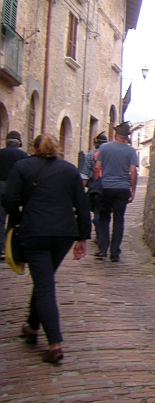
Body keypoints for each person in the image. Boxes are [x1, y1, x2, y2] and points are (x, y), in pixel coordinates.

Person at [2, 134, 89, 364]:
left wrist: (21, 217)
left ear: (34, 148)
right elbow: (82, 203)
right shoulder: (69, 170)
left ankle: (55, 344)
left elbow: (9, 199)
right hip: (63, 234)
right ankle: (31, 327)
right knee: (44, 280)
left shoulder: (22, 167)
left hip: (35, 233)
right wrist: (83, 237)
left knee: (44, 285)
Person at [93, 122, 138, 262]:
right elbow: (132, 171)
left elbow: (97, 167)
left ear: (115, 134)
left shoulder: (104, 148)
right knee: (118, 220)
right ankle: (115, 252)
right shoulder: (130, 151)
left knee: (104, 218)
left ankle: (102, 249)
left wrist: (95, 182)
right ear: (126, 137)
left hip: (106, 187)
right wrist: (133, 190)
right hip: (122, 188)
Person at [0, 131, 29, 247]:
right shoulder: (23, 156)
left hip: (0, 185)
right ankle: (9, 246)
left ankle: (0, 246)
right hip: (16, 189)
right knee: (14, 218)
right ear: (18, 144)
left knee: (0, 218)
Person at [80, 132, 107, 241]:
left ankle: (99, 234)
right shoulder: (110, 153)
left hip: (95, 187)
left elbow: (85, 174)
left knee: (96, 211)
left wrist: (82, 190)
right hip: (110, 185)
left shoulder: (91, 155)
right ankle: (103, 235)